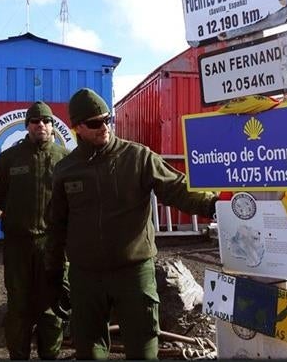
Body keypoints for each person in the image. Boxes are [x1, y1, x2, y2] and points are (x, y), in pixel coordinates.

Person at [45, 88, 218, 360]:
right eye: (94, 123)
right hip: (86, 276)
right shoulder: (66, 170)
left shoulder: (137, 157)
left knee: (143, 347)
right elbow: (56, 224)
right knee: (88, 349)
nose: (104, 127)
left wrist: (213, 205)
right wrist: (54, 274)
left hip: (133, 273)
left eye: (107, 119)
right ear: (77, 127)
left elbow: (177, 188)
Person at [0, 101, 70, 359]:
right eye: (35, 121)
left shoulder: (65, 158)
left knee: (51, 307)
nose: (41, 125)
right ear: (27, 125)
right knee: (19, 307)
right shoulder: (9, 159)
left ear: (53, 126)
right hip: (18, 245)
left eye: (46, 121)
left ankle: (50, 355)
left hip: (52, 246)